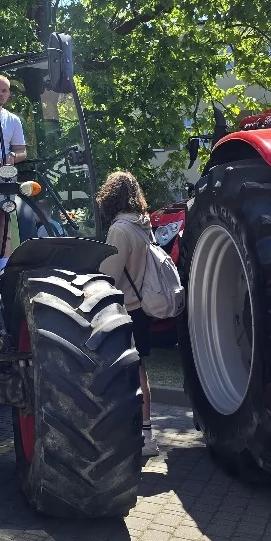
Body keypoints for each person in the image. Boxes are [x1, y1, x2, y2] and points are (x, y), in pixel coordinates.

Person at [95, 170, 160, 456]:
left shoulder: (120, 229)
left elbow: (110, 275)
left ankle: (128, 434)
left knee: (122, 374)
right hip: (143, 307)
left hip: (124, 308)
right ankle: (146, 434)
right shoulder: (144, 225)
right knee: (141, 371)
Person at [0, 75, 28, 271]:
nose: (0, 94)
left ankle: (4, 269)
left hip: (4, 174)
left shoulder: (13, 120)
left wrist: (10, 158)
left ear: (9, 94)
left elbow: (22, 152)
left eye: (4, 91)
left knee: (3, 219)